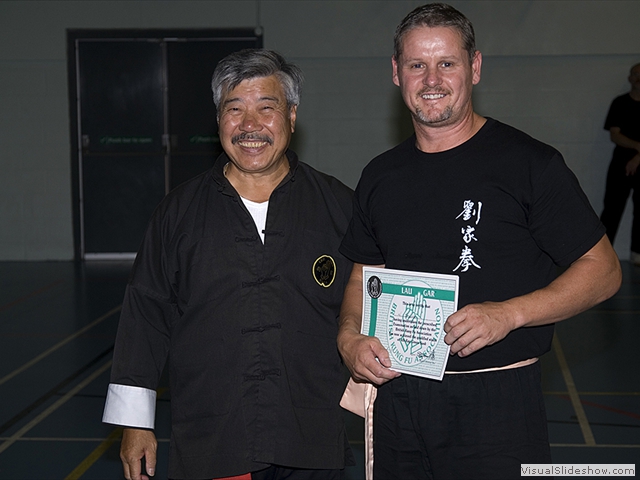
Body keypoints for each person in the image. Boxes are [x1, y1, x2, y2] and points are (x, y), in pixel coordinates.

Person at [336, 3, 622, 479]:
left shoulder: (530, 164)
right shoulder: (380, 176)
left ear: (475, 67)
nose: (432, 79)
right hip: (398, 398)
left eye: (446, 63)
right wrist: (348, 338)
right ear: (395, 73)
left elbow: (604, 270)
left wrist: (509, 313)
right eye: (416, 65)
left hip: (497, 403)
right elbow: (365, 274)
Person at [102, 49, 355, 480]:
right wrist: (135, 423)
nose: (250, 126)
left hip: (311, 438)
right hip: (215, 439)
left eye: (266, 108)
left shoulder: (339, 206)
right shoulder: (177, 213)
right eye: (234, 110)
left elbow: (371, 297)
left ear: (292, 117)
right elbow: (144, 315)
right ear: (219, 120)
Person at [600, 63, 640, 264]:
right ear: (630, 78)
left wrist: (638, 156)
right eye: (635, 74)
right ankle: (602, 254)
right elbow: (615, 135)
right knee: (612, 208)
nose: (638, 77)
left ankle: (637, 253)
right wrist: (638, 147)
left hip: (638, 161)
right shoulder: (620, 103)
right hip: (620, 163)